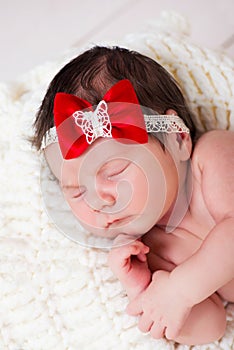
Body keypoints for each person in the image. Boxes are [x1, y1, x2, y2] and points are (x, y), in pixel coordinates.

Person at [32, 46, 234, 346]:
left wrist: (180, 290)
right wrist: (144, 291)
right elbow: (213, 325)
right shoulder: (149, 249)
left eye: (114, 171)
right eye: (78, 191)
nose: (100, 200)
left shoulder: (213, 156)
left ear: (178, 139)